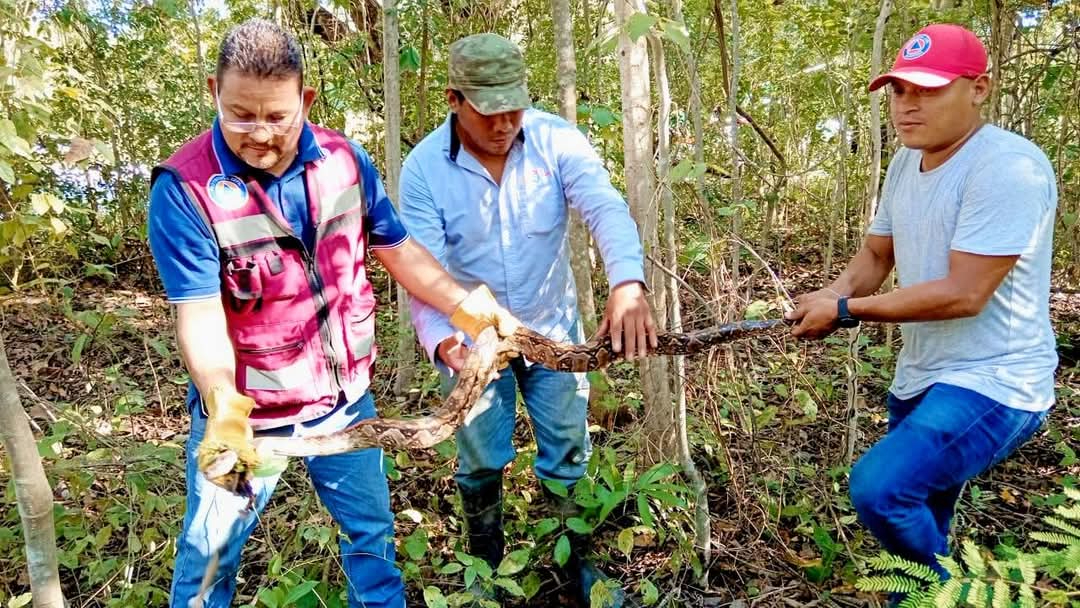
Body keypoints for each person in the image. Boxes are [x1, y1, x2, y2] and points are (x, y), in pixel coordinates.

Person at [147, 19, 519, 608]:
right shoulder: (185, 188)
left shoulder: (343, 160)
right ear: (213, 92)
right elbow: (199, 314)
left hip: (346, 404)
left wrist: (464, 306)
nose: (259, 134)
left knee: (372, 542)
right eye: (241, 114)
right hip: (249, 419)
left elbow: (396, 247)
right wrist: (222, 405)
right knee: (209, 562)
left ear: (306, 100)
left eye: (277, 116)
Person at [786, 23, 1057, 580]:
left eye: (928, 90)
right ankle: (919, 594)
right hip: (923, 372)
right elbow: (876, 254)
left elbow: (965, 293)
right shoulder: (906, 163)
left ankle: (946, 590)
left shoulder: (1008, 166)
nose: (907, 106)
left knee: (882, 488)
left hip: (998, 380)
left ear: (979, 88)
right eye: (899, 90)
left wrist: (844, 311)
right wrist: (833, 292)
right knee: (923, 507)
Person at [399, 33, 656, 607]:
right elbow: (421, 270)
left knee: (567, 450)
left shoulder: (556, 140)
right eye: (489, 110)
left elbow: (604, 206)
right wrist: (445, 345)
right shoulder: (423, 171)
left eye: (514, 106)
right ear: (454, 100)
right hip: (472, 341)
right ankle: (487, 569)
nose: (504, 123)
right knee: (481, 455)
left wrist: (628, 283)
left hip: (553, 331)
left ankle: (576, 570)